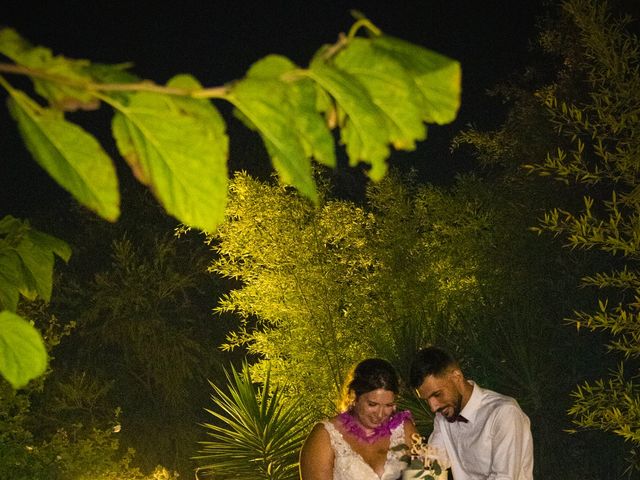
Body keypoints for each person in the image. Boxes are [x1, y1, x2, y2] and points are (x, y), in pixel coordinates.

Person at [409, 346, 534, 480]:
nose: (433, 407)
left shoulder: (504, 413)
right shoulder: (442, 418)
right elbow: (432, 464)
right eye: (427, 399)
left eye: (437, 394)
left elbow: (504, 477)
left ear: (457, 376)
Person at [299, 358, 418, 480]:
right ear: (353, 396)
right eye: (372, 404)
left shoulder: (404, 430)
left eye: (388, 405)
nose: (380, 414)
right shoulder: (325, 436)